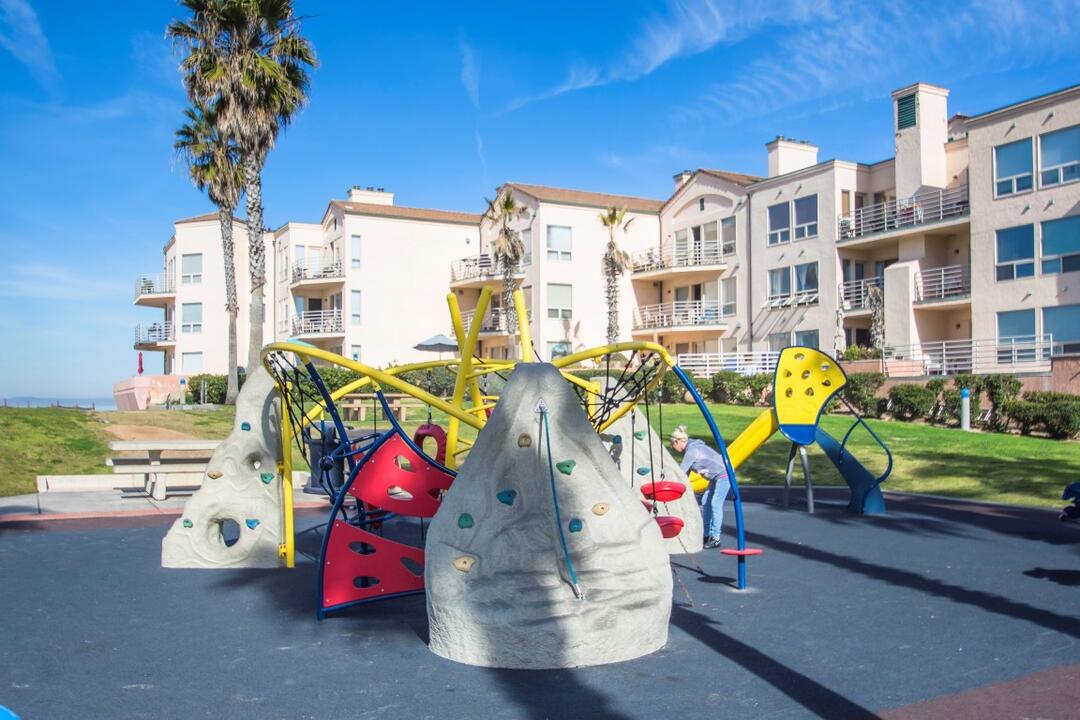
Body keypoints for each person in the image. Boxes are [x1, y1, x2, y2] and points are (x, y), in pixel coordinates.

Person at [669, 425, 730, 549]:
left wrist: (671, 485)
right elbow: (685, 475)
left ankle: (716, 538)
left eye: (672, 444)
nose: (672, 447)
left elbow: (681, 472)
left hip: (724, 475)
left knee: (715, 503)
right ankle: (706, 534)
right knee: (705, 502)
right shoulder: (693, 449)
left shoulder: (692, 451)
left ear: (678, 441)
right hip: (715, 477)